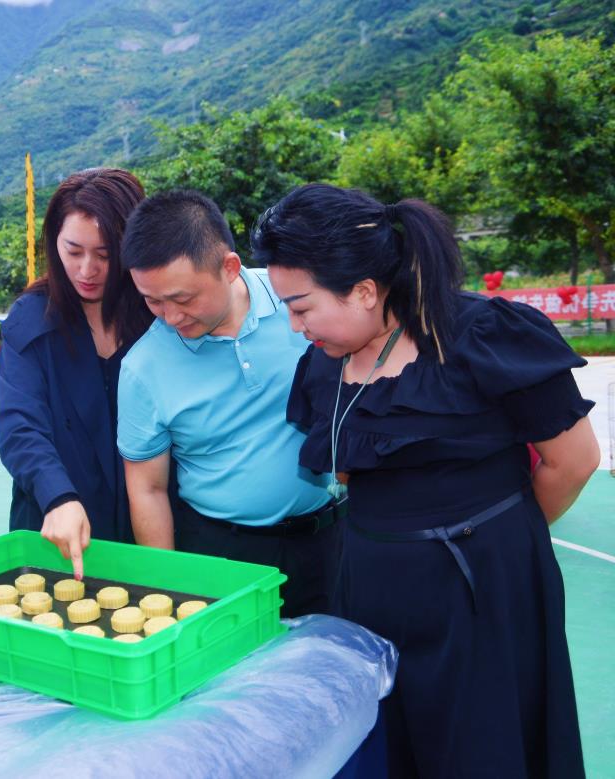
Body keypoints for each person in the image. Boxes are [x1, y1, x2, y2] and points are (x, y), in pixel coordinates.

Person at [254, 183, 598, 776]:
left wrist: (500, 540)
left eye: (303, 306)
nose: (292, 324)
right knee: (389, 745)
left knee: (485, 748)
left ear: (363, 290)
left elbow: (574, 460)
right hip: (370, 593)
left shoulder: (482, 334)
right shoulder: (321, 365)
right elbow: (345, 470)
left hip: (481, 592)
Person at [117, 191, 340, 618]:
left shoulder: (300, 304)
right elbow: (147, 488)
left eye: (182, 299)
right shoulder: (143, 368)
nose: (169, 317)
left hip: (328, 541)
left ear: (229, 267)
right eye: (152, 301)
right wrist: (167, 590)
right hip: (222, 556)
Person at [0, 167, 153, 578]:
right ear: (54, 243)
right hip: (58, 539)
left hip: (148, 539)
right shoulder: (31, 320)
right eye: (73, 250)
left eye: (104, 254)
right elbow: (19, 424)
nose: (86, 270)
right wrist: (57, 496)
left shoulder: (157, 316)